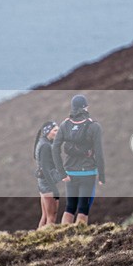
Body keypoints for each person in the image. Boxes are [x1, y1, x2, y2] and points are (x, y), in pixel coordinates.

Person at [52, 94, 106, 225]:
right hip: (88, 173)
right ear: (85, 107)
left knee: (70, 208)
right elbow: (99, 153)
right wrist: (102, 176)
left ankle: (63, 237)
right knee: (83, 209)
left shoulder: (65, 125)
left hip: (70, 173)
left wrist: (62, 172)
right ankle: (79, 239)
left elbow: (55, 148)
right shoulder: (94, 126)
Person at [34, 121, 62, 229]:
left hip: (43, 184)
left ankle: (37, 239)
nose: (57, 132)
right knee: (51, 216)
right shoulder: (45, 146)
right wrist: (54, 189)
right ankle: (47, 241)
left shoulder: (42, 143)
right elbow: (45, 169)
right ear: (47, 132)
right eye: (55, 130)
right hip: (47, 185)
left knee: (45, 216)